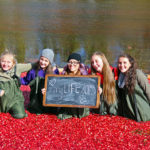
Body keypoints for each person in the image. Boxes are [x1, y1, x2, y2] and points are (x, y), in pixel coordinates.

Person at [0, 50, 36, 119]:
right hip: (1, 101)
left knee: (20, 115)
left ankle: (16, 108)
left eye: (8, 62)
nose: (5, 64)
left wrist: (51, 65)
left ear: (13, 63)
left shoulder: (17, 68)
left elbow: (31, 65)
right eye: (3, 61)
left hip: (15, 100)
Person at [117, 54, 150, 122]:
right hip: (129, 114)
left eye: (125, 62)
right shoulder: (120, 76)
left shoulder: (138, 74)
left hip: (141, 111)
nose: (122, 65)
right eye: (120, 63)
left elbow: (148, 90)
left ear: (130, 64)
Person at [25, 48, 59, 114]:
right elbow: (27, 80)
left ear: (50, 62)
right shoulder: (33, 70)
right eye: (41, 59)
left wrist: (48, 90)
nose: (43, 62)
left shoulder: (54, 71)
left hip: (47, 96)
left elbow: (56, 85)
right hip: (36, 97)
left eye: (46, 61)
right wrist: (17, 80)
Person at [57, 53, 90, 120]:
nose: (72, 64)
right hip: (67, 106)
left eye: (75, 62)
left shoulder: (84, 76)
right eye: (70, 62)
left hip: (80, 107)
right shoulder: (63, 75)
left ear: (79, 64)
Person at [89, 51, 117, 115]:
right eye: (92, 62)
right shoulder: (91, 75)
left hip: (112, 105)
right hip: (98, 108)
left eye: (96, 61)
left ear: (103, 61)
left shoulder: (114, 72)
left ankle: (112, 112)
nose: (94, 64)